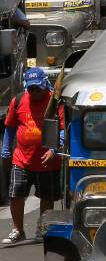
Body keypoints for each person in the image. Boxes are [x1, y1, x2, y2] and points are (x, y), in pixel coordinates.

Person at [1, 67, 63, 244]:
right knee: (16, 194)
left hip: (47, 161)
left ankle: (42, 229)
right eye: (31, 89)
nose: (34, 92)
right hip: (21, 158)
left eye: (37, 88)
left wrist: (53, 150)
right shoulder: (19, 100)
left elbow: (62, 129)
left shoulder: (55, 101)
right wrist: (6, 149)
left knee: (46, 197)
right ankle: (18, 229)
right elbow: (10, 126)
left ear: (45, 84)